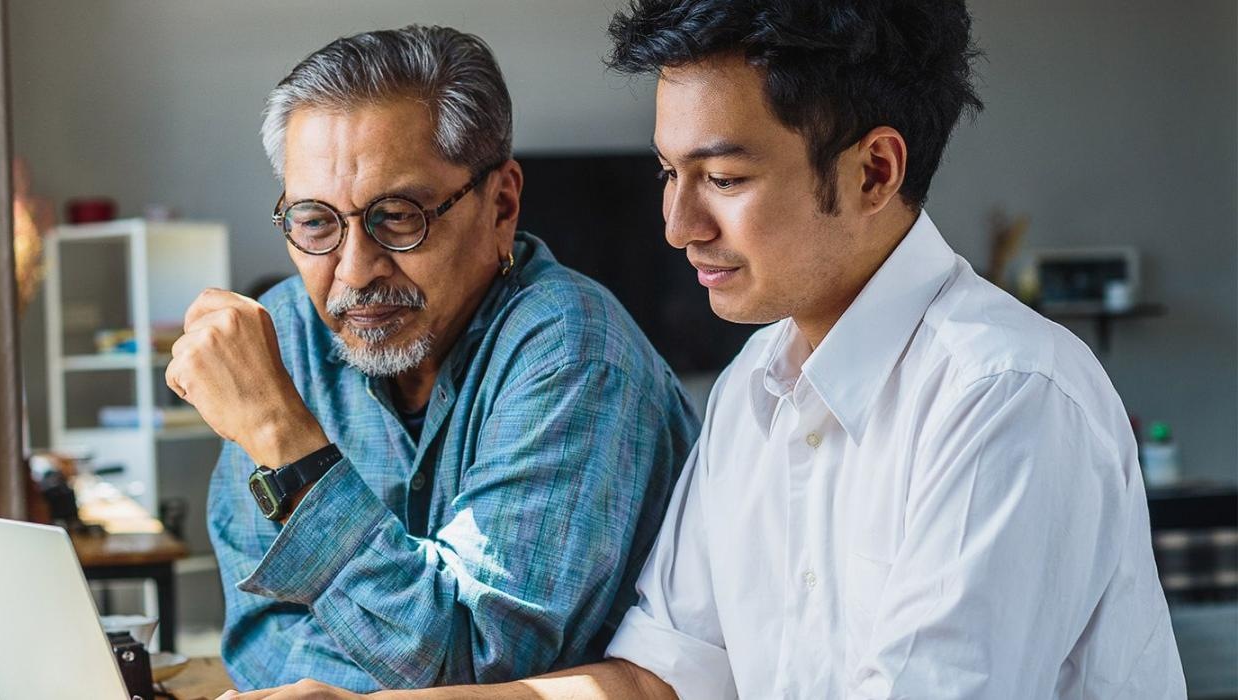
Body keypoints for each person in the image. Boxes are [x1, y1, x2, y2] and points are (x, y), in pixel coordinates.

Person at [226, 1, 1186, 698]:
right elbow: (657, 679)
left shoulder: (1003, 396)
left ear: (874, 171)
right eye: (667, 174)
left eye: (721, 177)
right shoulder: (754, 393)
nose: (678, 224)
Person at [164, 25, 698, 692]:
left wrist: (286, 441)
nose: (354, 270)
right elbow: (262, 633)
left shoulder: (575, 350)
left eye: (398, 215)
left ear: (501, 204)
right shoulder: (288, 336)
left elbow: (476, 661)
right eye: (315, 220)